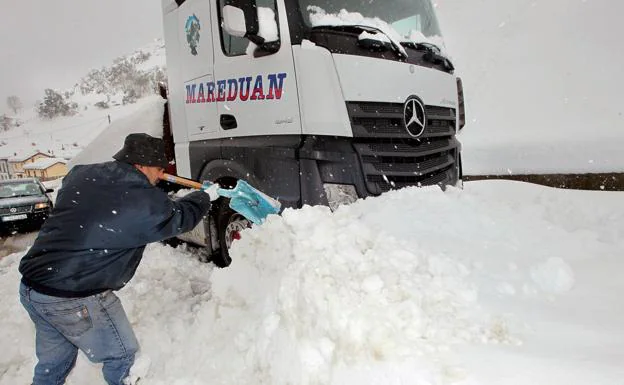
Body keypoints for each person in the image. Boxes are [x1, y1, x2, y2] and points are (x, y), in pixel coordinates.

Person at [18, 133, 219, 385]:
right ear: (141, 165)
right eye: (158, 170)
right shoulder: (141, 202)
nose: (160, 176)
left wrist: (151, 187)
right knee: (125, 360)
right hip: (73, 296)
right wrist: (204, 197)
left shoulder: (82, 174)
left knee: (53, 365)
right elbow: (179, 217)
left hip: (33, 289)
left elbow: (123, 194)